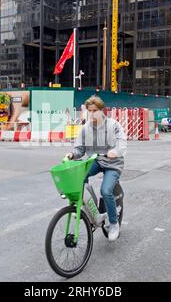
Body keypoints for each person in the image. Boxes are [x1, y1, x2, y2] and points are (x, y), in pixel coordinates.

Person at [66, 96, 127, 242]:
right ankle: (88, 207)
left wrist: (115, 152)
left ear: (101, 111)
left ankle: (113, 224)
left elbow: (122, 142)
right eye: (89, 111)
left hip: (113, 163)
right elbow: (80, 149)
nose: (92, 114)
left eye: (95, 111)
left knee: (105, 191)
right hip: (96, 160)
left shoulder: (113, 125)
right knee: (79, 175)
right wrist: (72, 154)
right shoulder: (85, 128)